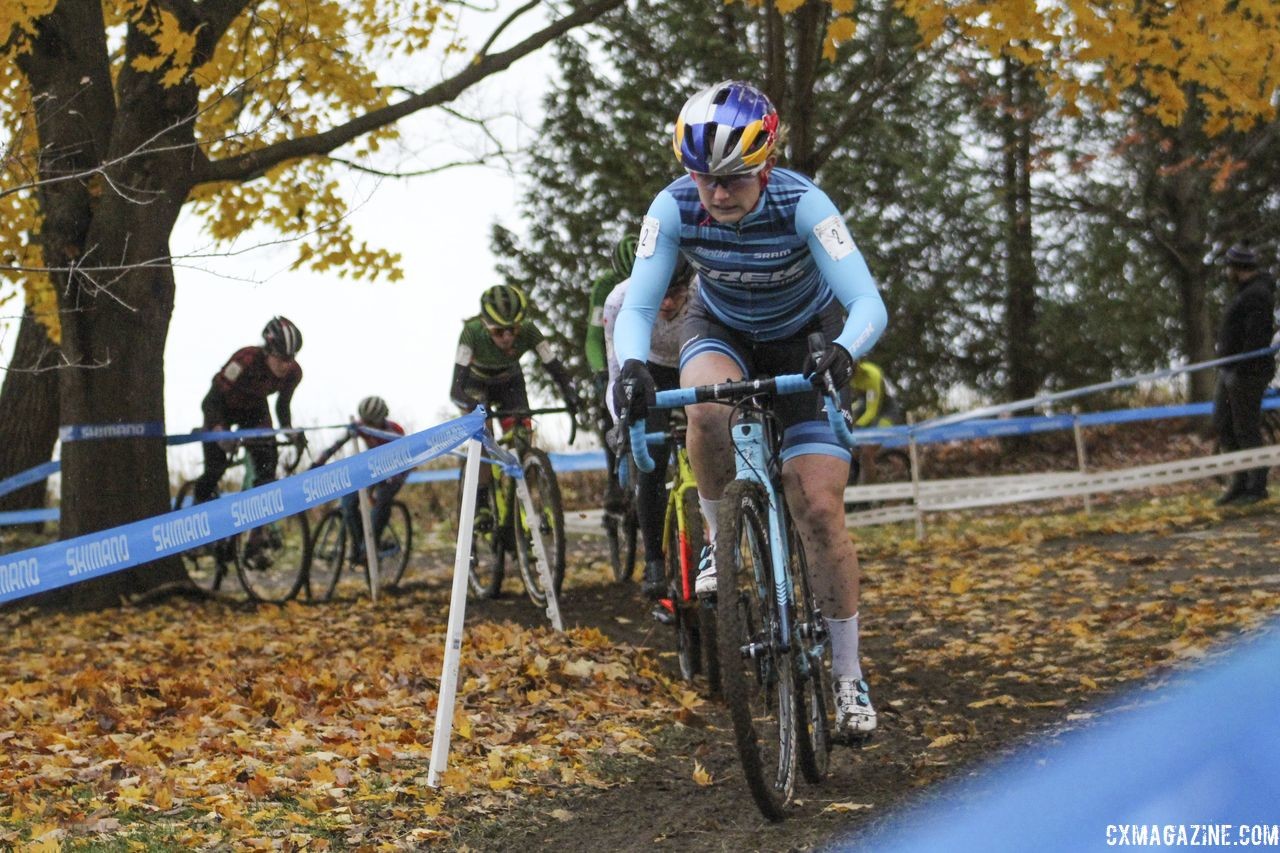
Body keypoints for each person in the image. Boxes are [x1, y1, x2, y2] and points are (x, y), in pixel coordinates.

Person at [612, 81, 887, 739]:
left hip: (806, 335)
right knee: (706, 413)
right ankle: (719, 538)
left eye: (732, 178)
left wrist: (844, 353)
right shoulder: (673, 207)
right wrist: (628, 368)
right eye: (703, 177)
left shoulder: (805, 204)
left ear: (765, 165)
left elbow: (867, 302)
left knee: (817, 505)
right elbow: (641, 308)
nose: (716, 193)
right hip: (722, 327)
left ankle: (849, 677)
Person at [602, 257, 694, 598]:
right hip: (648, 372)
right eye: (660, 294)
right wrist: (621, 424)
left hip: (693, 360)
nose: (668, 303)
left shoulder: (705, 290)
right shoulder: (619, 301)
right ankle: (654, 560)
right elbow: (616, 374)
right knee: (651, 463)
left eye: (677, 293)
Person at [451, 284, 582, 524]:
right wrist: (473, 409)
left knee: (523, 435)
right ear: (486, 325)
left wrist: (571, 395)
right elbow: (456, 389)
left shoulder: (530, 331)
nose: (508, 337)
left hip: (510, 382)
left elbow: (555, 368)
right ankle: (481, 500)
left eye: (513, 329)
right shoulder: (472, 332)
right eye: (499, 331)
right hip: (475, 385)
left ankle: (523, 492)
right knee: (483, 434)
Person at [194, 315, 306, 506]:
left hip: (254, 409)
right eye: (281, 358)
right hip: (222, 408)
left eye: (291, 358)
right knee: (216, 469)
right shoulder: (244, 360)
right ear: (268, 351)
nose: (286, 365)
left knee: (268, 466)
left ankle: (258, 528)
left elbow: (282, 405)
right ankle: (198, 505)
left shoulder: (293, 373)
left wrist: (289, 431)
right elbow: (211, 401)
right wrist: (219, 430)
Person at [1213, 244, 1276, 506]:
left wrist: (1240, 369)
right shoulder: (1244, 293)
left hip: (1247, 373)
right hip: (1229, 370)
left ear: (1236, 268)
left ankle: (1257, 485)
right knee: (1224, 426)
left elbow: (1256, 339)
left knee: (1246, 429)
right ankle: (1238, 481)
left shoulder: (1258, 294)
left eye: (1229, 266)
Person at [312, 396, 407, 564]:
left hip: (397, 469)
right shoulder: (360, 425)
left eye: (372, 423)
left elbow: (402, 461)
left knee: (382, 500)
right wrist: (319, 462)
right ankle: (359, 544)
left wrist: (377, 490)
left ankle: (372, 544)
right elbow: (337, 444)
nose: (368, 426)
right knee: (348, 501)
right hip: (374, 466)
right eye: (366, 421)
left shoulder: (394, 432)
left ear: (381, 418)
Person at [586, 236, 639, 513]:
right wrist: (600, 371)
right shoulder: (606, 287)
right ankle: (613, 481)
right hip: (614, 348)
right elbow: (594, 337)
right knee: (608, 407)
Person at [848, 360, 902, 487]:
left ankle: (867, 495)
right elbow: (854, 405)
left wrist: (857, 426)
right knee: (854, 451)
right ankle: (868, 470)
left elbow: (872, 410)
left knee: (866, 454)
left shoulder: (872, 375)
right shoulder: (845, 375)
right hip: (865, 404)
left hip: (886, 410)